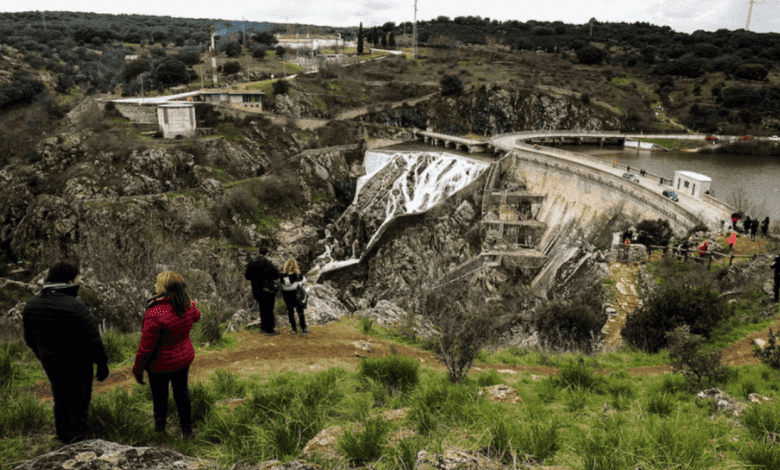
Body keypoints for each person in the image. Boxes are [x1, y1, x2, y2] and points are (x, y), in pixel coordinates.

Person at [22, 261, 109, 444]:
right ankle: (79, 437)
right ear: (69, 280)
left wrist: (43, 355)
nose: (79, 282)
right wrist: (102, 364)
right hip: (79, 363)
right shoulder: (76, 306)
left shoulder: (31, 305)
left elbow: (29, 338)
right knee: (80, 399)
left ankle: (63, 436)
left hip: (51, 362)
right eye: (77, 279)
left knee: (60, 397)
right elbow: (94, 339)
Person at [133, 272, 201, 440]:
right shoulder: (188, 306)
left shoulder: (154, 313)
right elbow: (197, 316)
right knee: (182, 393)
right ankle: (187, 432)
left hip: (159, 365)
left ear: (163, 288)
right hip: (182, 359)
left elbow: (146, 348)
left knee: (160, 397)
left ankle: (160, 431)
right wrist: (190, 303)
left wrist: (138, 369)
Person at [245, 246, 280, 336]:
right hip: (267, 289)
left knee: (262, 308)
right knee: (269, 308)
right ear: (266, 253)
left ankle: (263, 327)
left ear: (259, 252)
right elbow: (276, 274)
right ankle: (269, 329)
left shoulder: (252, 262)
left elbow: (247, 276)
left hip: (256, 289)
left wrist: (256, 279)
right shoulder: (267, 262)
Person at [280, 259, 309, 336]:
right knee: (300, 312)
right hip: (296, 295)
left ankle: (294, 329)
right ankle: (304, 329)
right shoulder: (299, 276)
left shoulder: (281, 276)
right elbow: (304, 282)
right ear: (295, 266)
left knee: (290, 312)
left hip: (287, 296)